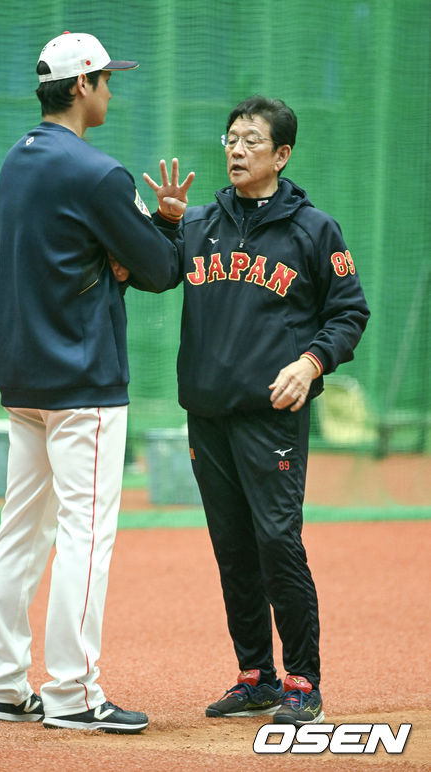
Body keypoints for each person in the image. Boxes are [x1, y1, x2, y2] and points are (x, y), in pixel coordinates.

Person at [0, 31, 193, 733]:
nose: (109, 89)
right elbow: (161, 271)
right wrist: (165, 225)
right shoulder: (96, 173)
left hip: (24, 379)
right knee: (84, 538)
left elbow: (70, 257)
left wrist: (117, 256)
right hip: (83, 383)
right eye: (103, 79)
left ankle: (2, 685)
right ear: (80, 87)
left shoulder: (17, 160)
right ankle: (72, 693)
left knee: (19, 534)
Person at [143, 95, 370, 726]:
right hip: (208, 414)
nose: (237, 150)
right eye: (230, 139)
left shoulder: (313, 230)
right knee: (233, 546)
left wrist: (311, 363)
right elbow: (159, 275)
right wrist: (164, 224)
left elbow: (350, 311)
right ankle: (256, 677)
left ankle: (303, 680)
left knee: (276, 541)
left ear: (282, 154)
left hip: (272, 415)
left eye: (251, 140)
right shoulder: (199, 222)